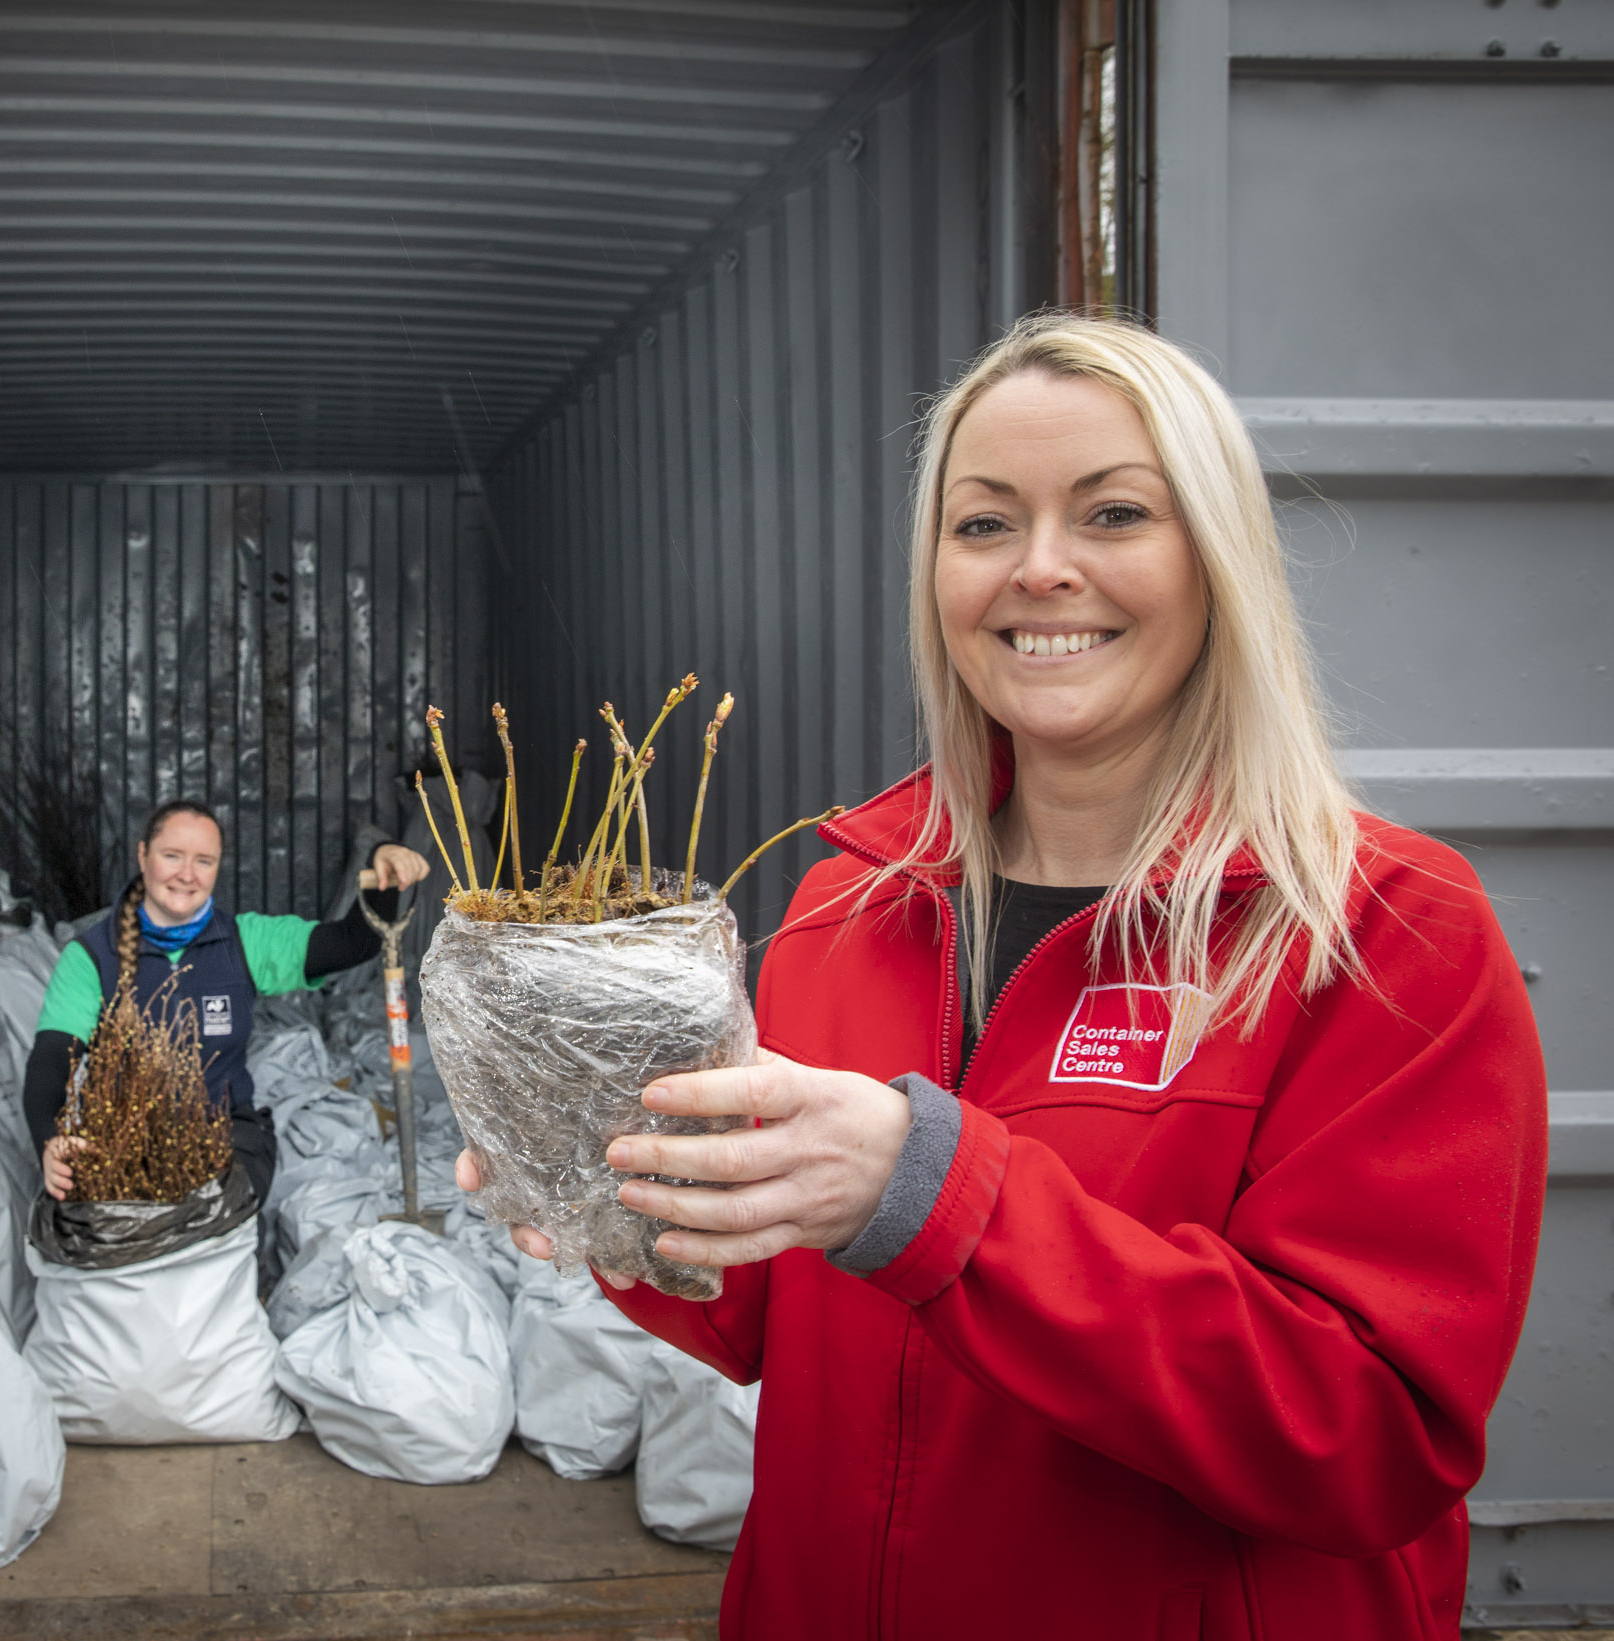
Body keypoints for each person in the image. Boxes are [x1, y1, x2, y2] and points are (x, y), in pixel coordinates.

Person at [460, 314, 1548, 1639]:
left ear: (1216, 558)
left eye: (1111, 515)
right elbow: (760, 1325)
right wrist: (611, 1197)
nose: (1040, 569)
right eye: (983, 525)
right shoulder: (840, 909)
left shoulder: (1382, 936)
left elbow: (1366, 1435)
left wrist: (930, 1195)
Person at [23, 801, 431, 1203]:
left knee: (216, 1213)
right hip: (123, 1139)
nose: (187, 874)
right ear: (143, 854)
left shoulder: (244, 942)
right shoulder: (91, 957)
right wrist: (51, 1140)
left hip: (225, 1136)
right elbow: (53, 1059)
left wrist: (382, 864)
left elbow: (350, 943)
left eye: (204, 861)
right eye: (172, 856)